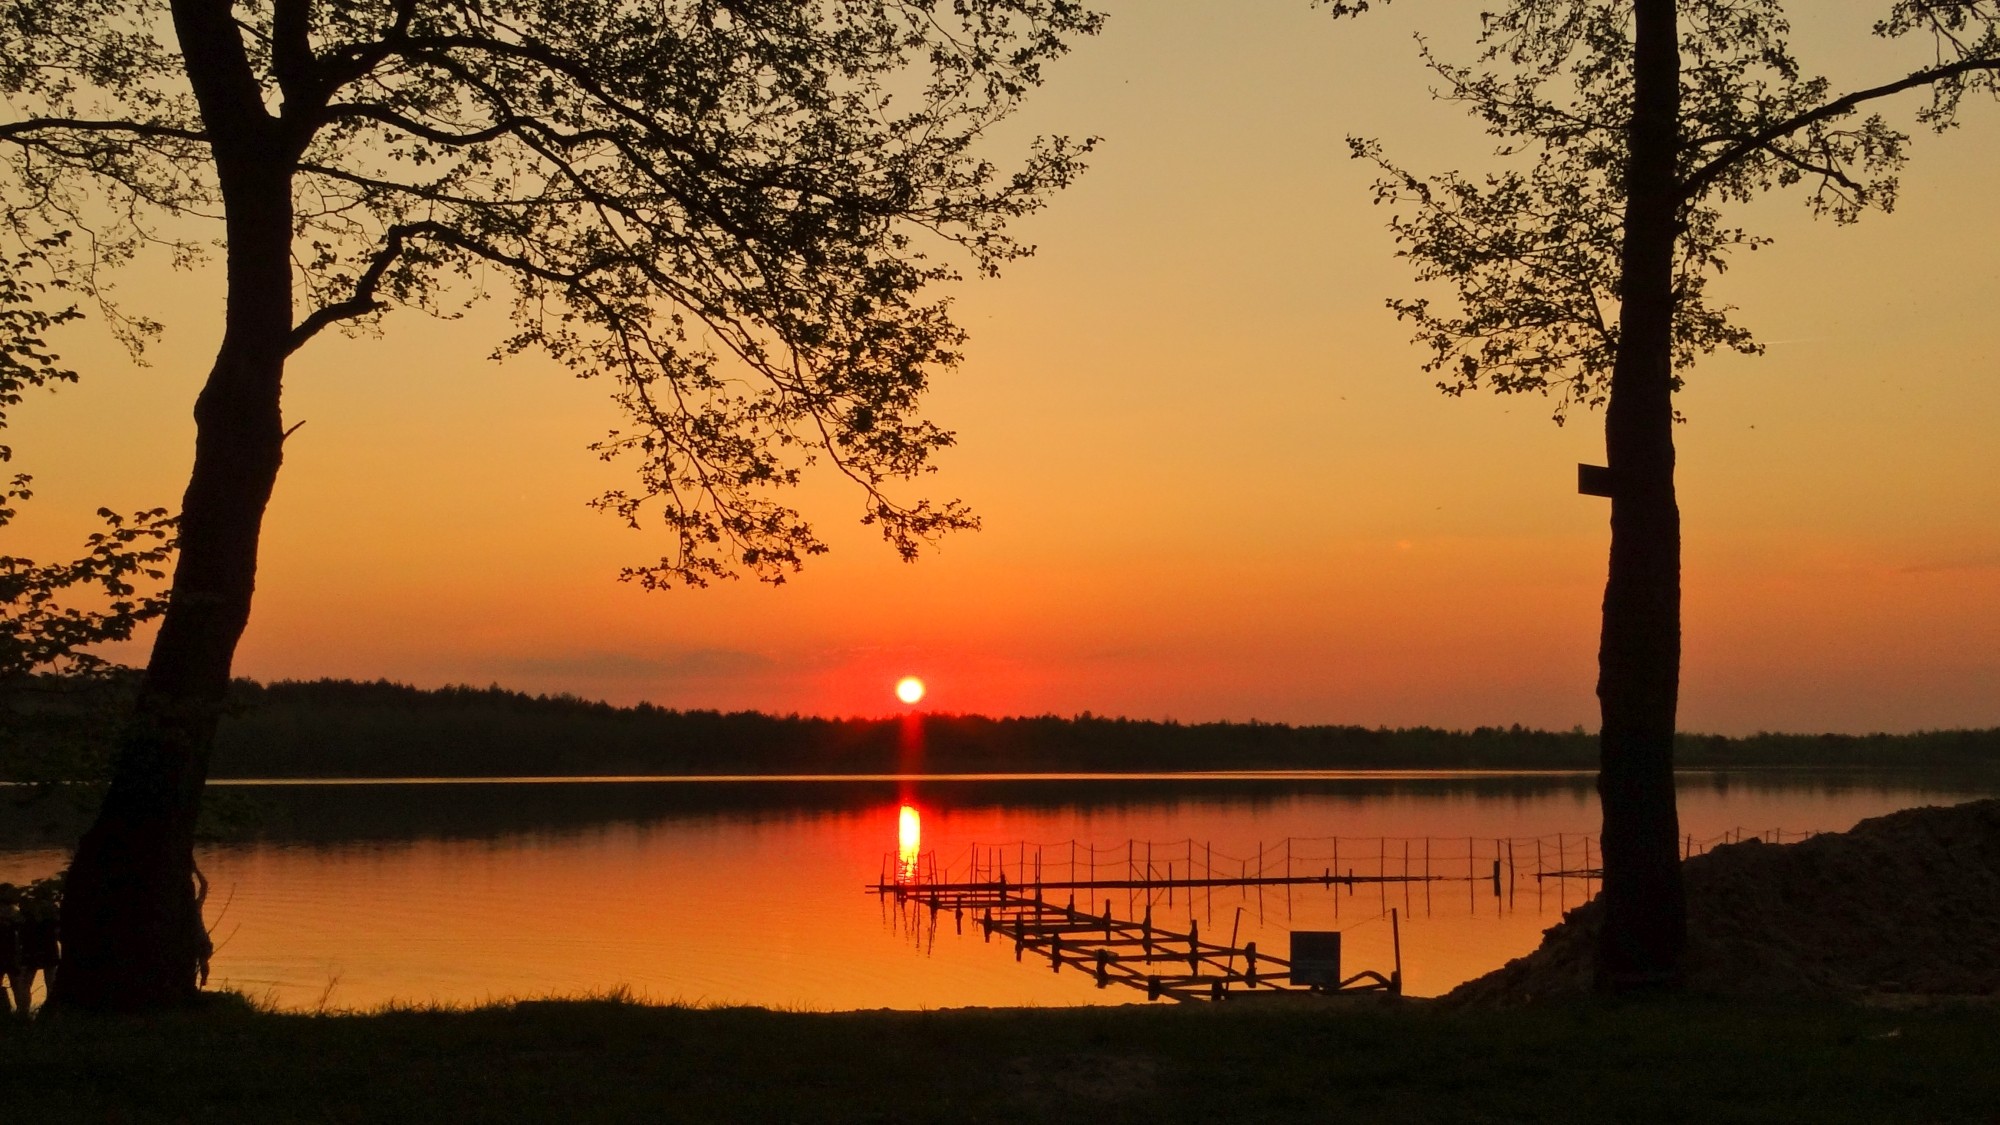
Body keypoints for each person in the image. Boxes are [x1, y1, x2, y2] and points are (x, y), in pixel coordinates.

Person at [17, 877, 60, 1007]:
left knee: (25, 981)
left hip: (32, 948)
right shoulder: (52, 909)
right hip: (48, 947)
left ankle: (23, 1009)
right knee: (50, 981)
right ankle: (50, 1009)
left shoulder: (28, 909)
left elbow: (22, 930)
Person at [0, 883, 24, 1016]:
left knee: (17, 983)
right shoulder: (14, 911)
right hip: (11, 953)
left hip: (10, 952)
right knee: (17, 984)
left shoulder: (13, 911)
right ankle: (21, 1012)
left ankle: (18, 1012)